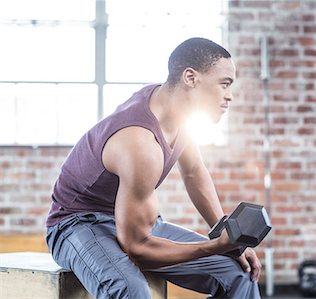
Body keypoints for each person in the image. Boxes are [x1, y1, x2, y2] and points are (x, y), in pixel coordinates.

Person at [45, 37, 262, 299]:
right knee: (130, 290)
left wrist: (228, 235)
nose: (229, 96)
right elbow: (138, 248)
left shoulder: (174, 110)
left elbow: (194, 171)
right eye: (224, 84)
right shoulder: (139, 142)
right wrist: (215, 246)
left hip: (131, 219)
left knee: (239, 273)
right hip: (76, 225)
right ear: (191, 78)